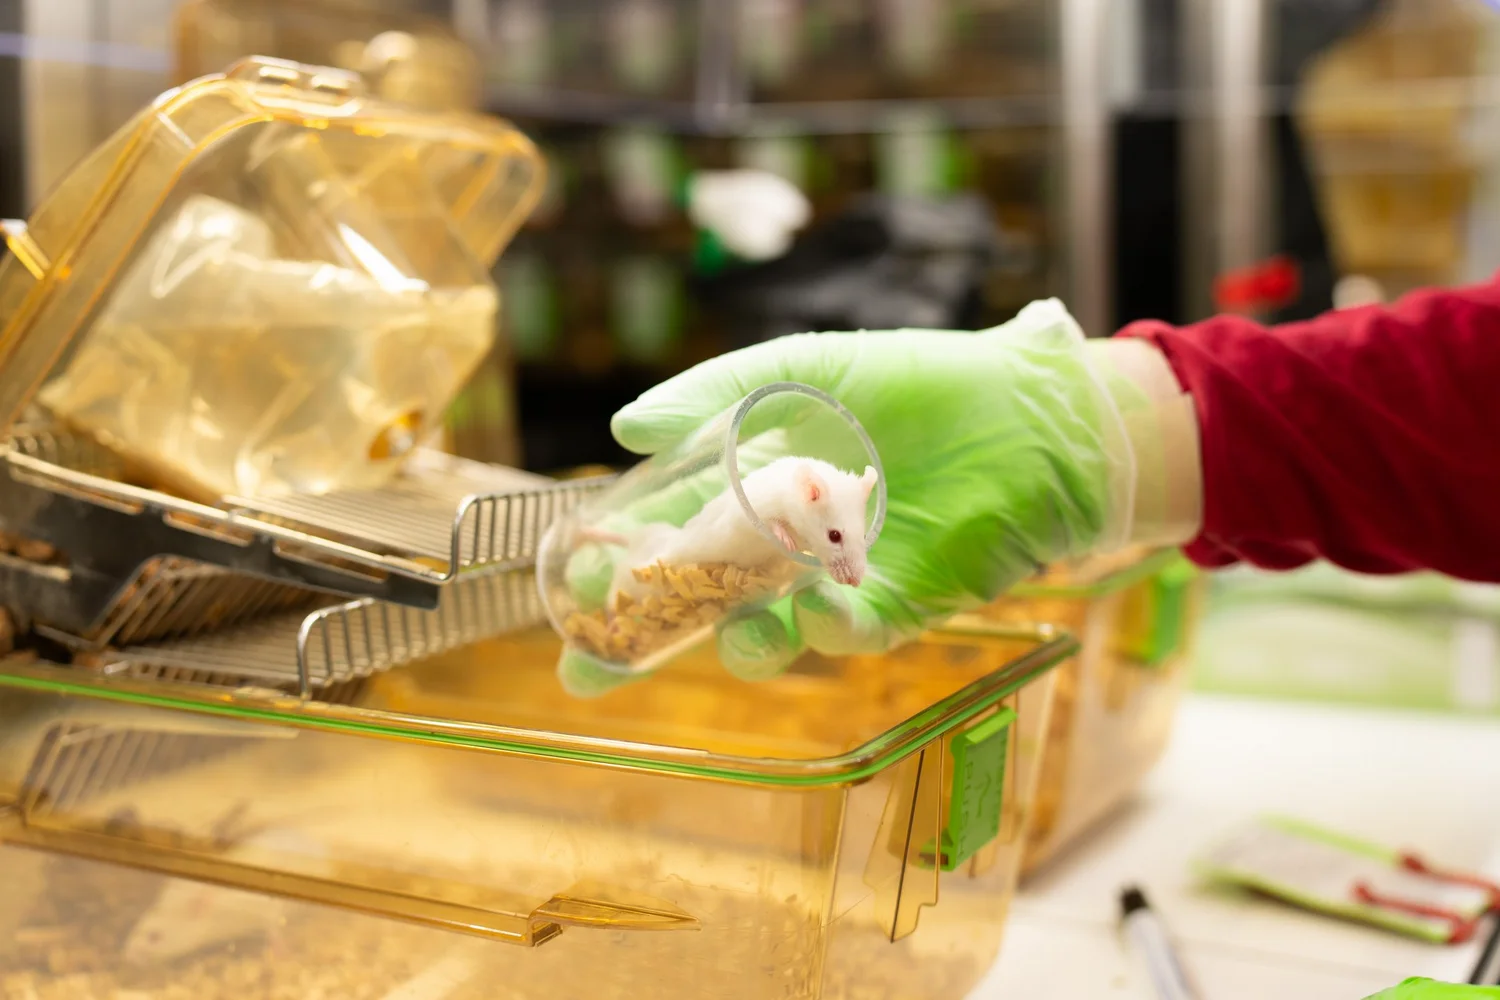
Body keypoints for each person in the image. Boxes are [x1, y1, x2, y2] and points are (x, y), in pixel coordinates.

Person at [575, 280, 1500, 1000]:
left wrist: (1095, 434)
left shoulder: (828, 509)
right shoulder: (787, 505)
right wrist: (1109, 424)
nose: (847, 565)